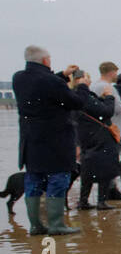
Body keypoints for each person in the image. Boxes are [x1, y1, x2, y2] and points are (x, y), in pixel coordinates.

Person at [13, 46, 105, 234]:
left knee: (34, 179)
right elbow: (76, 102)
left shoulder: (19, 78)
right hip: (55, 139)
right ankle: (56, 224)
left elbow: (43, 86)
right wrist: (83, 86)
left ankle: (35, 226)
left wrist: (63, 75)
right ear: (46, 60)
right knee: (58, 178)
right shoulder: (51, 82)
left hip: (30, 138)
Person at [92, 61, 121, 201]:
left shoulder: (93, 86)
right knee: (113, 160)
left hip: (99, 127)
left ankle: (108, 190)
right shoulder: (107, 87)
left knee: (105, 160)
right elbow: (118, 108)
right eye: (115, 72)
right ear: (111, 72)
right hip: (114, 128)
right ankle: (111, 191)